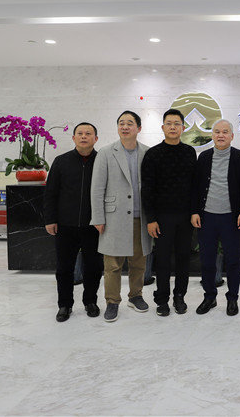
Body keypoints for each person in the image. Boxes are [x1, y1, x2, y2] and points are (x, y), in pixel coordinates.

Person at [90, 110, 152, 322]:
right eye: (121, 123)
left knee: (139, 262)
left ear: (138, 128)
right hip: (113, 218)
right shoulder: (106, 152)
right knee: (112, 264)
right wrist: (98, 217)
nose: (125, 127)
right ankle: (112, 301)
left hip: (140, 217)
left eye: (130, 123)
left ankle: (135, 296)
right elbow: (97, 188)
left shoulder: (147, 152)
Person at [44, 122, 103, 322]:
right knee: (64, 268)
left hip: (93, 225)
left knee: (93, 267)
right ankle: (65, 305)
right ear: (73, 138)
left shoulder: (102, 161)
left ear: (96, 138)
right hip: (65, 225)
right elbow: (50, 193)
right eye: (80, 133)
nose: (84, 136)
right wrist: (50, 219)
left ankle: (90, 301)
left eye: (88, 133)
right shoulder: (61, 161)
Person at [191, 119, 240, 316]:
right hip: (207, 217)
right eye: (217, 131)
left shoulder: (239, 157)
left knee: (232, 261)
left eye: (225, 132)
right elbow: (196, 187)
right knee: (207, 261)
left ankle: (232, 298)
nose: (221, 135)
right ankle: (209, 297)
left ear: (232, 136)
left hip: (230, 218)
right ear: (212, 135)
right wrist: (195, 211)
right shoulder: (204, 157)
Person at [141, 109, 196, 317]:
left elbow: (195, 185)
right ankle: (162, 299)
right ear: (163, 127)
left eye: (177, 123)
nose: (173, 127)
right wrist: (151, 219)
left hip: (185, 217)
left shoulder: (190, 152)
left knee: (183, 258)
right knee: (162, 260)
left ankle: (179, 296)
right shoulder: (153, 154)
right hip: (162, 217)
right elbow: (147, 189)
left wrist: (194, 212)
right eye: (169, 123)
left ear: (183, 127)